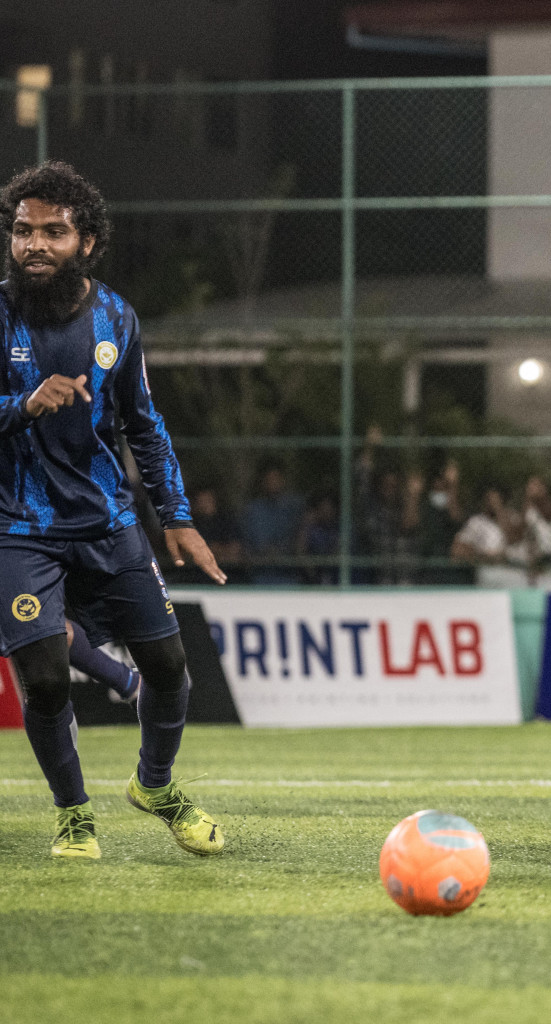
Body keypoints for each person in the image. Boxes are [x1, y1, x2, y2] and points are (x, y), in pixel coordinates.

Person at [0, 161, 227, 859]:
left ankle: (155, 785)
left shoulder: (116, 318)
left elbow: (145, 425)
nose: (34, 245)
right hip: (19, 529)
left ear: (87, 242)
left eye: (53, 232)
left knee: (167, 668)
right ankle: (75, 816)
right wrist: (23, 405)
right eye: (22, 231)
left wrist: (178, 517)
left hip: (110, 524)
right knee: (42, 682)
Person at [241, 462, 303, 585]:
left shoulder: (294, 508)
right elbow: (247, 545)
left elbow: (297, 543)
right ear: (262, 482)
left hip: (288, 575)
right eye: (269, 479)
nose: (272, 483)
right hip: (260, 576)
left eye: (276, 479)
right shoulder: (253, 510)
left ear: (283, 480)